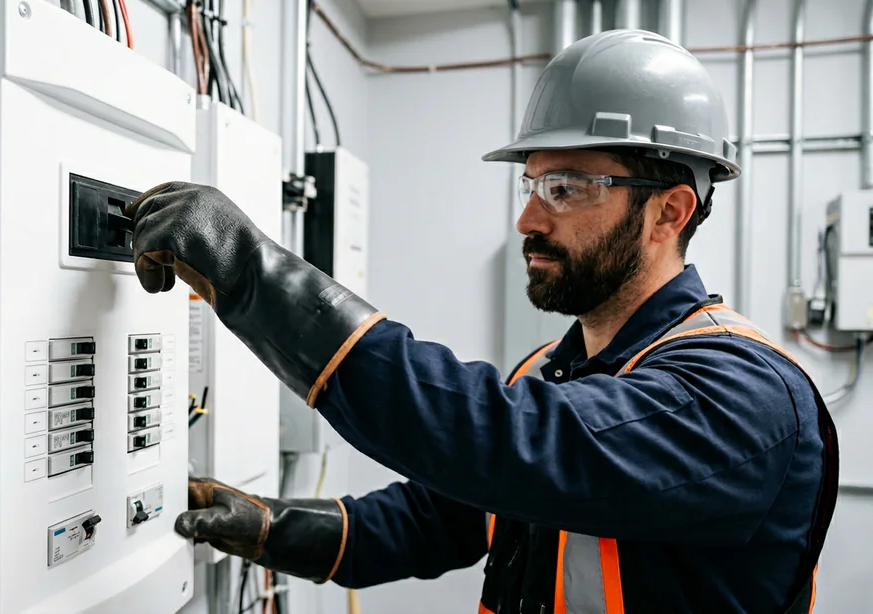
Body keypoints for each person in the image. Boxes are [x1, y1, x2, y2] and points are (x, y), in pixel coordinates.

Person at [125, 30, 838, 614]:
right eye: (532, 184)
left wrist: (251, 272)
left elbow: (509, 444)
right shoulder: (550, 372)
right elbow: (437, 518)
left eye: (564, 188)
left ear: (668, 212)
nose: (528, 219)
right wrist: (276, 529)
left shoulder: (743, 395)